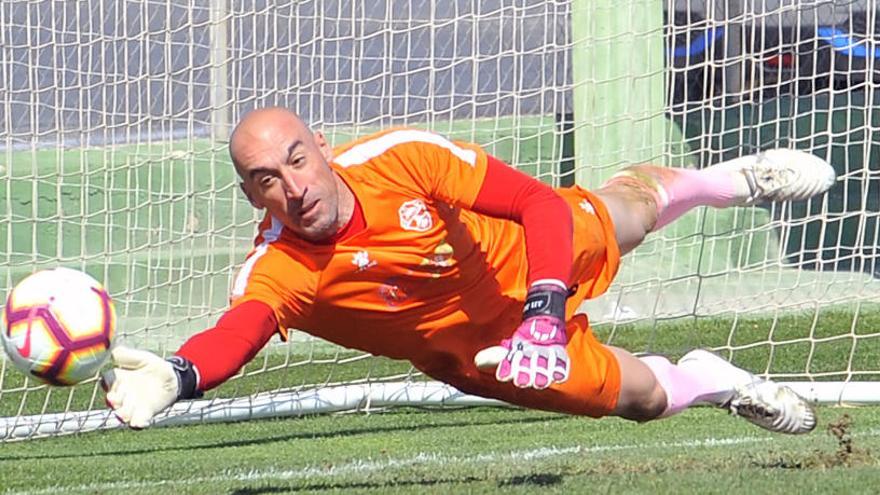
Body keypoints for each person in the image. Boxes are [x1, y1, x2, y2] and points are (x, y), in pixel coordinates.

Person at [103, 107, 836, 433]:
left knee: (630, 214)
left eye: (297, 160)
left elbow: (535, 203)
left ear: (322, 146)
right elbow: (238, 331)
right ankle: (714, 377)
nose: (293, 187)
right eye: (266, 178)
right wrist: (178, 375)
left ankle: (731, 180)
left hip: (523, 253)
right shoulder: (279, 266)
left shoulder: (401, 158)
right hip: (478, 352)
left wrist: (546, 306)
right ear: (250, 194)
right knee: (644, 401)